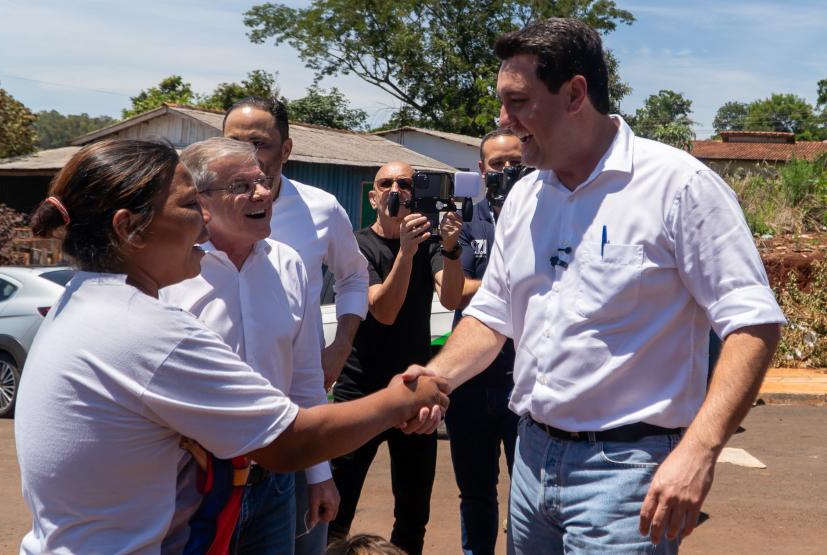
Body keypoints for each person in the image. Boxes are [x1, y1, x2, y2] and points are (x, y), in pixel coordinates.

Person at [404, 18, 785, 554]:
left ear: (575, 93)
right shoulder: (527, 197)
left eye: (518, 102)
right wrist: (438, 375)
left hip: (629, 471)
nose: (503, 120)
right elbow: (493, 315)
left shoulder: (678, 187)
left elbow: (752, 324)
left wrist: (699, 451)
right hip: (532, 460)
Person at [13, 138, 449, 554]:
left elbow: (302, 384)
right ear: (130, 229)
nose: (203, 221)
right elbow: (290, 441)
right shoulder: (148, 330)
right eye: (189, 206)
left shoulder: (81, 302)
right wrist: (402, 399)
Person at [160, 137, 330, 554]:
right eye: (242, 186)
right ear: (199, 200)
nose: (263, 194)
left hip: (275, 483)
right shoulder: (168, 272)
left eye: (263, 181)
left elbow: (306, 379)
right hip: (192, 485)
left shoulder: (289, 265)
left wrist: (319, 475)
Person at [222, 97, 368, 554]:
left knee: (304, 536)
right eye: (234, 142)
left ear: (285, 150)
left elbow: (354, 276)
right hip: (210, 444)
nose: (246, 154)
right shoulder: (197, 218)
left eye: (259, 143)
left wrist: (341, 344)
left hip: (294, 412)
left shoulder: (321, 209)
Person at [328, 161, 465, 555]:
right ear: (373, 197)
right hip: (362, 389)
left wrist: (451, 251)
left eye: (405, 184)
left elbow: (452, 298)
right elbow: (383, 311)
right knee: (338, 504)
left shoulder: (431, 244)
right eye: (385, 183)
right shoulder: (357, 246)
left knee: (412, 511)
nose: (395, 189)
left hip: (412, 391)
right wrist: (405, 251)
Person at [446, 128, 525, 555]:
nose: (508, 172)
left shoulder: (544, 216)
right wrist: (510, 281)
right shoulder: (461, 221)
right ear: (481, 169)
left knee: (528, 494)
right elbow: (452, 293)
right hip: (472, 382)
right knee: (476, 494)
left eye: (516, 163)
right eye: (498, 165)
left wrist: (484, 280)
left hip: (524, 380)